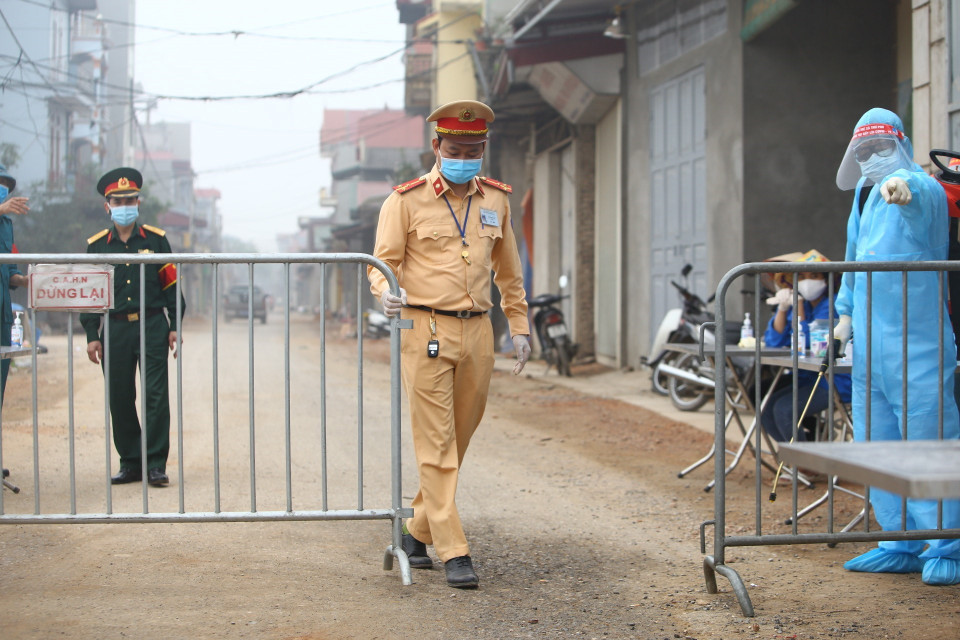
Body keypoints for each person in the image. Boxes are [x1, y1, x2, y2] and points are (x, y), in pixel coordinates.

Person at [368, 100, 531, 588]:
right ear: (435, 146)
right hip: (426, 329)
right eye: (456, 148)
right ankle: (454, 549)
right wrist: (385, 296)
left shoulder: (496, 200)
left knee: (459, 437)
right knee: (436, 442)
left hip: (479, 330)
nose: (465, 156)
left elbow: (509, 270)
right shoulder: (405, 200)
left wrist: (519, 326)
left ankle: (415, 530)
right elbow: (382, 264)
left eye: (474, 149)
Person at [834, 107, 960, 585]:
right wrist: (844, 319)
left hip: (918, 344)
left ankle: (947, 543)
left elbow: (923, 208)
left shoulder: (922, 186)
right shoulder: (863, 197)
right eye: (863, 150)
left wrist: (906, 195)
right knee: (878, 442)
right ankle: (898, 540)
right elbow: (852, 259)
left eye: (879, 147)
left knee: (929, 441)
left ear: (900, 143)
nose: (871, 158)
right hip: (869, 345)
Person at [80, 168, 185, 487]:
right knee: (119, 396)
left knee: (156, 395)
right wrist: (91, 335)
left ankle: (155, 464)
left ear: (138, 203)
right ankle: (130, 462)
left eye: (130, 199)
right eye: (118, 200)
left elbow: (170, 284)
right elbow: (89, 294)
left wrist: (174, 324)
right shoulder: (97, 246)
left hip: (152, 324)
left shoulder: (156, 240)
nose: (125, 204)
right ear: (107, 206)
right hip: (114, 329)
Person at [761, 250, 852, 443]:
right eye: (800, 277)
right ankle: (797, 462)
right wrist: (783, 308)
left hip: (836, 380)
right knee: (766, 409)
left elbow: (808, 343)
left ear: (826, 279)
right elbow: (775, 341)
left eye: (814, 276)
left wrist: (799, 307)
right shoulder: (806, 305)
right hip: (811, 376)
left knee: (784, 410)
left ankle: (804, 465)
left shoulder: (833, 304)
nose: (807, 281)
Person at [0, 164, 30, 482]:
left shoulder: (7, 224)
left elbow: (10, 274)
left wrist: (31, 281)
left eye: (5, 186)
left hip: (2, 316)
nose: (3, 190)